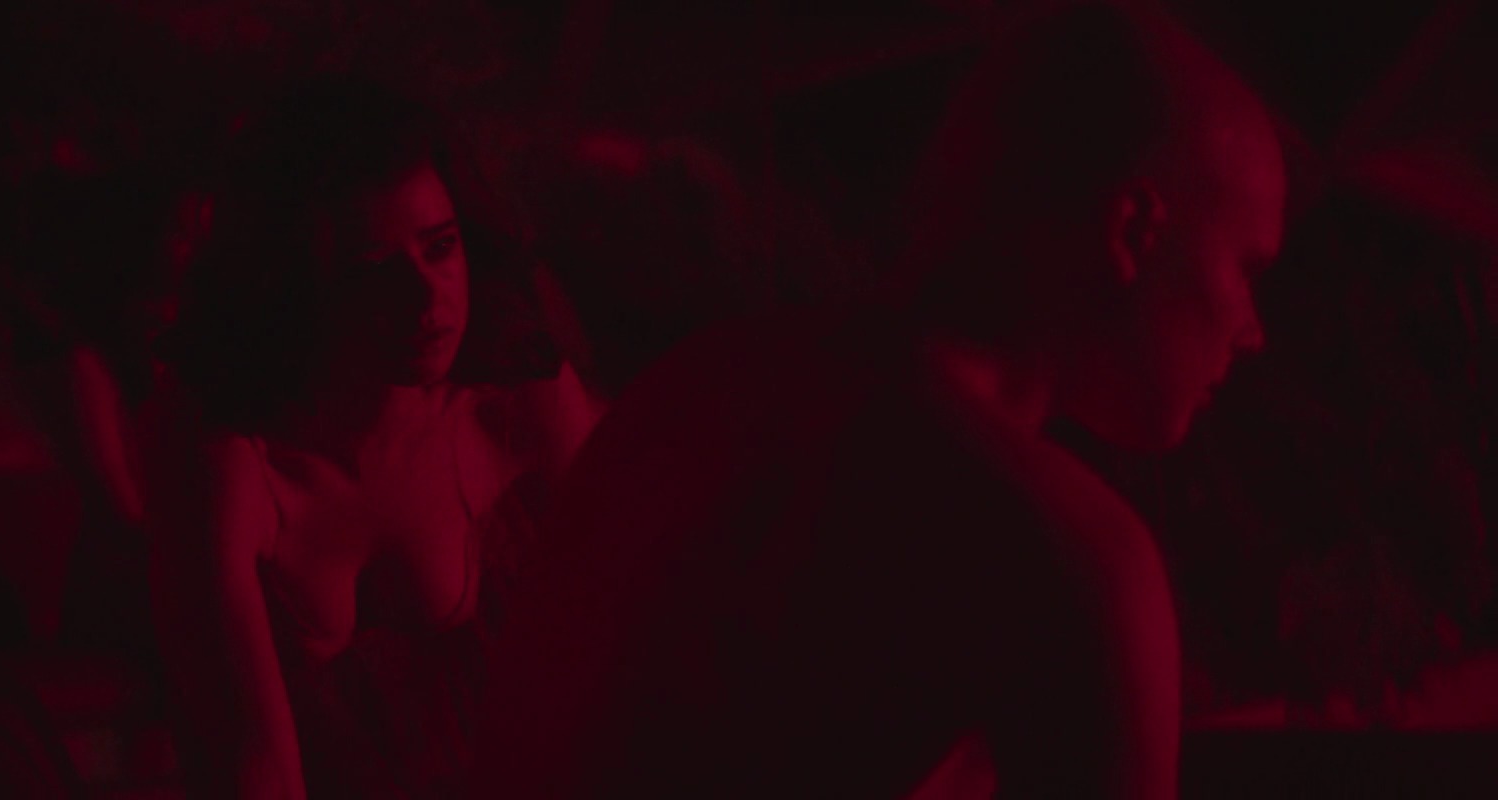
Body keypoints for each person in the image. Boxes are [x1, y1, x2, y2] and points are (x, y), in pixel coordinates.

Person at [471, 3, 1286, 798]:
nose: (1254, 332)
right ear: (1134, 229)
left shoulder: (699, 388)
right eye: (1249, 269)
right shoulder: (1072, 558)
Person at [138, 77, 600, 799]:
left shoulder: (519, 398)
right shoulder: (233, 455)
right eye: (375, 269)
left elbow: (646, 645)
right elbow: (252, 763)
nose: (426, 296)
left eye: (441, 248)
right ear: (298, 284)